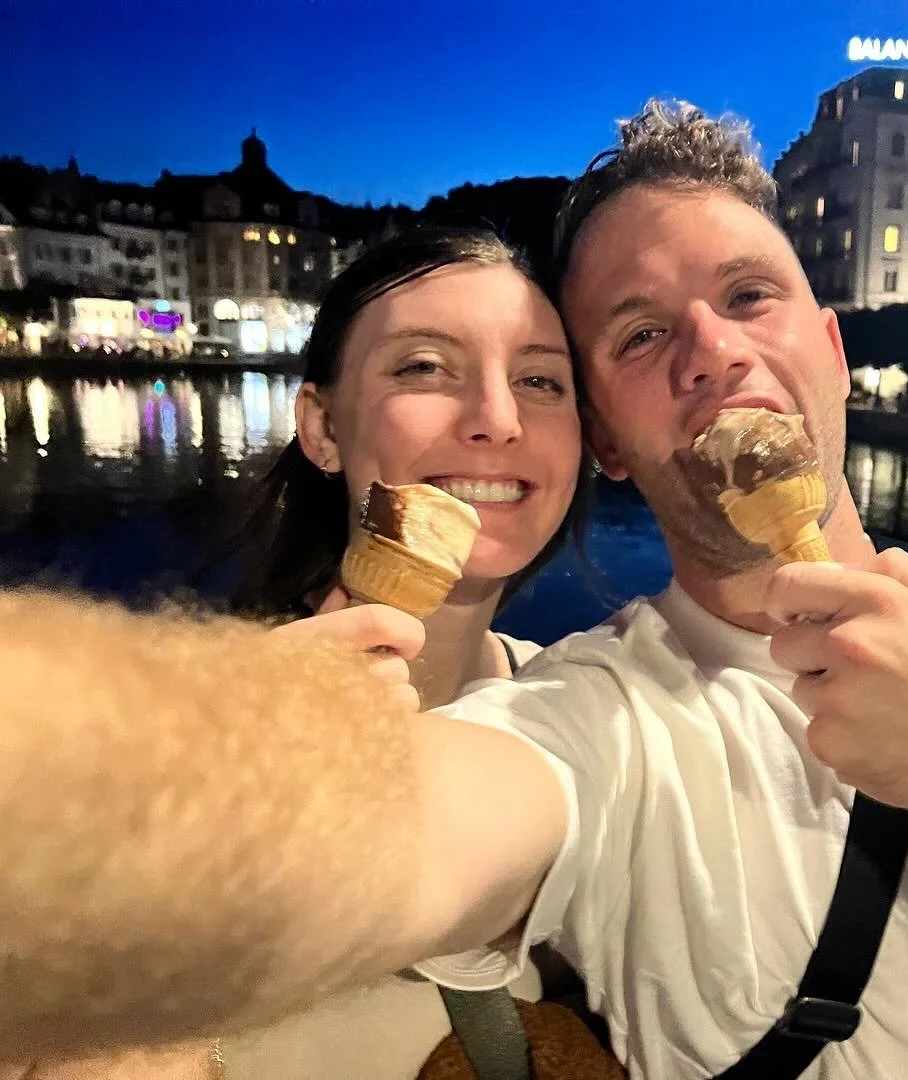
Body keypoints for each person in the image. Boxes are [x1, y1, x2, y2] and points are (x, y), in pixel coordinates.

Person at [1, 102, 908, 1080]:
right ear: (608, 442)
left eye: (749, 297)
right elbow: (383, 845)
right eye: (641, 332)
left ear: (832, 349)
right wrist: (181, 757)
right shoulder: (592, 713)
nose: (712, 351)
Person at [10, 228, 615, 1079]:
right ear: (323, 427)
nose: (497, 419)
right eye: (425, 367)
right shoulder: (185, 728)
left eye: (540, 380)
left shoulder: (590, 711)